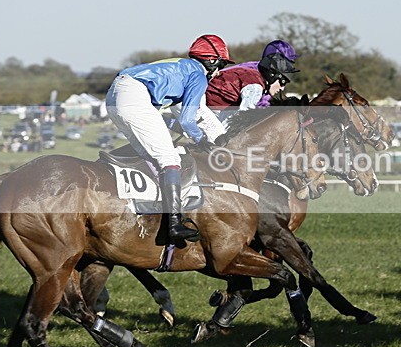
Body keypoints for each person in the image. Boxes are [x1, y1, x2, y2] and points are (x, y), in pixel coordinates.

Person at [106, 34, 233, 245]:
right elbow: (187, 120)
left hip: (115, 94)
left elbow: (179, 117)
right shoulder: (198, 75)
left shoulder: (182, 67)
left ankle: (148, 205)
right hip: (134, 95)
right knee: (169, 157)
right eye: (220, 64)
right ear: (211, 61)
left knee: (150, 154)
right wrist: (201, 140)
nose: (219, 71)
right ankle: (174, 223)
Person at [204, 40, 300, 121]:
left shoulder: (258, 72)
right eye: (282, 82)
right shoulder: (256, 81)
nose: (283, 88)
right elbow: (243, 116)